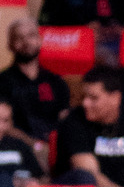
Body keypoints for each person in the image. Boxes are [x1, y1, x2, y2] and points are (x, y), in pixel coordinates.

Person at [0, 19, 71, 149]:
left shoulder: (56, 82)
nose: (26, 42)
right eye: (19, 38)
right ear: (10, 45)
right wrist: (34, 145)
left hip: (54, 147)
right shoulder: (2, 82)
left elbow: (64, 118)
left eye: (31, 36)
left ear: (40, 40)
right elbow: (3, 124)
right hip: (16, 147)